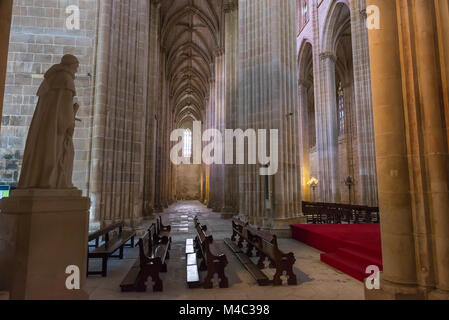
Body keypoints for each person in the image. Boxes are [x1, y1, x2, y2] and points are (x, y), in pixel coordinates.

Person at [18, 54, 80, 189]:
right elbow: (63, 108)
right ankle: (53, 182)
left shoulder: (51, 79)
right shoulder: (66, 79)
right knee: (58, 153)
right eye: (76, 67)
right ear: (70, 65)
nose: (76, 70)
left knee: (43, 151)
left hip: (45, 126)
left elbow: (56, 106)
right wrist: (70, 120)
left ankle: (40, 181)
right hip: (56, 128)